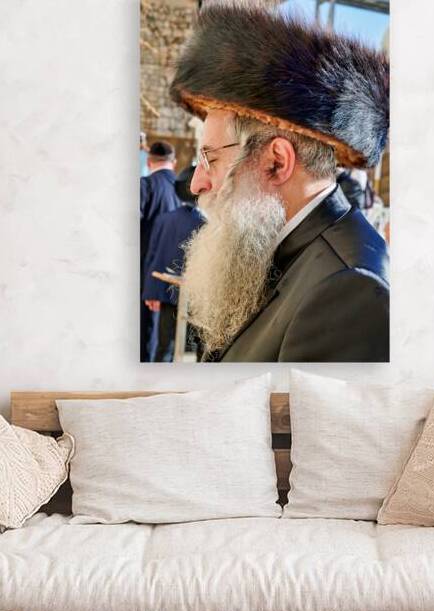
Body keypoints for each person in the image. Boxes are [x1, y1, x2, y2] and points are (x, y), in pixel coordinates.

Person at [169, 2, 389, 362]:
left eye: (210, 159)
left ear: (276, 163)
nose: (196, 184)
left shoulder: (351, 291)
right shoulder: (277, 246)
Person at [142, 185, 205, 361]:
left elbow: (153, 256)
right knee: (192, 348)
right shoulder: (205, 223)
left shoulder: (164, 219)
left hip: (166, 291)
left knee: (164, 345)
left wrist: (150, 292)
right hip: (195, 297)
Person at [140, 140, 181, 361]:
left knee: (145, 340)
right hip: (176, 277)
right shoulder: (185, 191)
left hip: (144, 276)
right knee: (166, 342)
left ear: (149, 162)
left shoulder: (145, 186)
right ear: (173, 163)